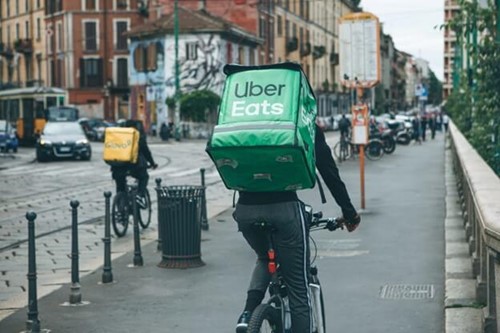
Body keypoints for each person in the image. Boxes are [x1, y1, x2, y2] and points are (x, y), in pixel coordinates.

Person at [233, 123, 361, 333]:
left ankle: (247, 315)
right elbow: (329, 172)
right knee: (298, 288)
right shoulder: (304, 125)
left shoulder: (248, 122)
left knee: (265, 257)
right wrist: (349, 213)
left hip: (245, 210)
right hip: (285, 211)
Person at [111, 119, 158, 208]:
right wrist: (152, 163)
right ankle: (140, 195)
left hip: (117, 168)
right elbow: (146, 152)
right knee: (144, 177)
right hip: (134, 167)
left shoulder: (119, 136)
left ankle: (120, 209)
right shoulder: (137, 136)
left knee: (120, 186)